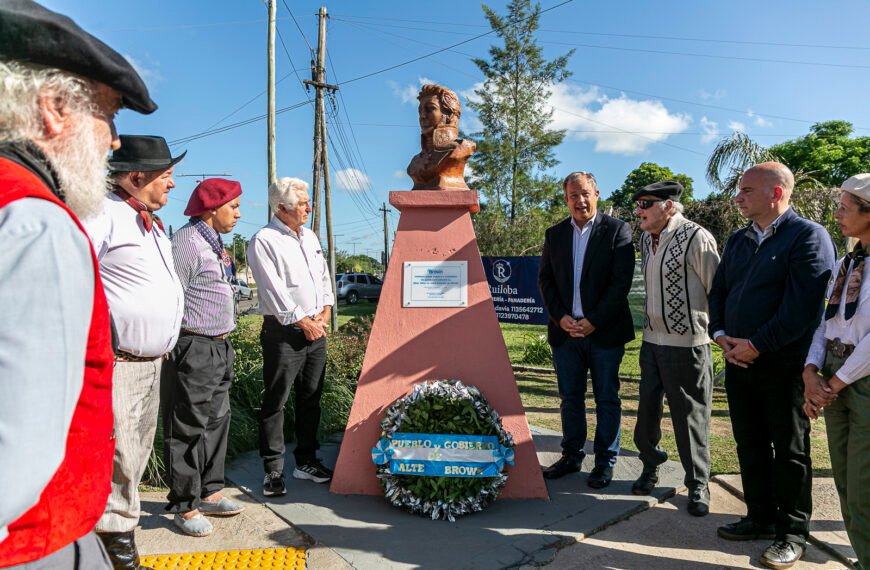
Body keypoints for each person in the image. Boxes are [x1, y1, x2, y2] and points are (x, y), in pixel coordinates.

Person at [0, 1, 157, 567]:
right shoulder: (35, 222)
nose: (115, 141)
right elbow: (14, 455)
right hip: (31, 540)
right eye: (109, 114)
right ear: (55, 109)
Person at [709, 162, 835, 569]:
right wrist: (721, 333)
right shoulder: (738, 239)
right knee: (749, 443)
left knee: (790, 450)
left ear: (776, 193)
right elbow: (720, 290)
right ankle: (759, 517)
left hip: (784, 366)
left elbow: (803, 309)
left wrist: (759, 345)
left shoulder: (808, 237)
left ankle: (792, 532)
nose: (738, 196)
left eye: (746, 190)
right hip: (739, 363)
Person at [84, 135, 185, 569]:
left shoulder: (151, 222)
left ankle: (117, 533)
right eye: (167, 175)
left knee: (136, 452)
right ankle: (116, 546)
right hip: (120, 361)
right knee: (120, 456)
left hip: (149, 363)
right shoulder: (103, 213)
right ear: (136, 176)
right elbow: (77, 270)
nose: (173, 184)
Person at [538, 171, 635, 488]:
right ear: (565, 199)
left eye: (585, 194)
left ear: (597, 193)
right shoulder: (554, 235)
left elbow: (620, 284)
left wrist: (594, 320)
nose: (579, 200)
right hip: (565, 334)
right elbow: (546, 280)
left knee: (607, 399)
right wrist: (559, 317)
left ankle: (605, 463)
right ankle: (572, 456)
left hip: (604, 334)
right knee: (570, 399)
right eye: (572, 195)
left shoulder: (618, 231)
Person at [630, 181, 720, 516]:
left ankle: (698, 483)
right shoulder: (644, 237)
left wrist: (718, 334)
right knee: (646, 415)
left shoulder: (697, 237)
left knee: (690, 418)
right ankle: (650, 465)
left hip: (688, 346)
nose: (639, 210)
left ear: (669, 206)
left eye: (646, 204)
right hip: (652, 342)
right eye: (637, 204)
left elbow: (717, 289)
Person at [162, 178, 246, 537]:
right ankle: (185, 505)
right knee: (188, 427)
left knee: (216, 421)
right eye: (234, 206)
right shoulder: (187, 242)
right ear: (212, 208)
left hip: (219, 345)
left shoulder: (215, 243)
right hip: (194, 346)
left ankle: (210, 491)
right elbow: (171, 294)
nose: (239, 213)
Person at [247, 177, 335, 496]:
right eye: (302, 203)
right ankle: (273, 470)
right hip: (284, 332)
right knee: (277, 400)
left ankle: (306, 461)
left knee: (311, 398)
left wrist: (325, 309)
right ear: (281, 207)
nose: (308, 208)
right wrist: (302, 321)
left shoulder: (309, 236)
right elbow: (274, 289)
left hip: (316, 328)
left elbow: (322, 275)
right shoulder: (264, 241)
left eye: (308, 202)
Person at [803, 173, 870, 569]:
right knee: (845, 483)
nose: (838, 213)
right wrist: (811, 372)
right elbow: (827, 324)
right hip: (833, 375)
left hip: (858, 380)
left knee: (863, 489)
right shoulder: (849, 262)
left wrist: (834, 383)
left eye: (846, 207)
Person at [406, 84, 476, 191]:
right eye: (420, 111)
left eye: (430, 109)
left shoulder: (461, 148)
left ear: (450, 115)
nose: (422, 116)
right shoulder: (415, 162)